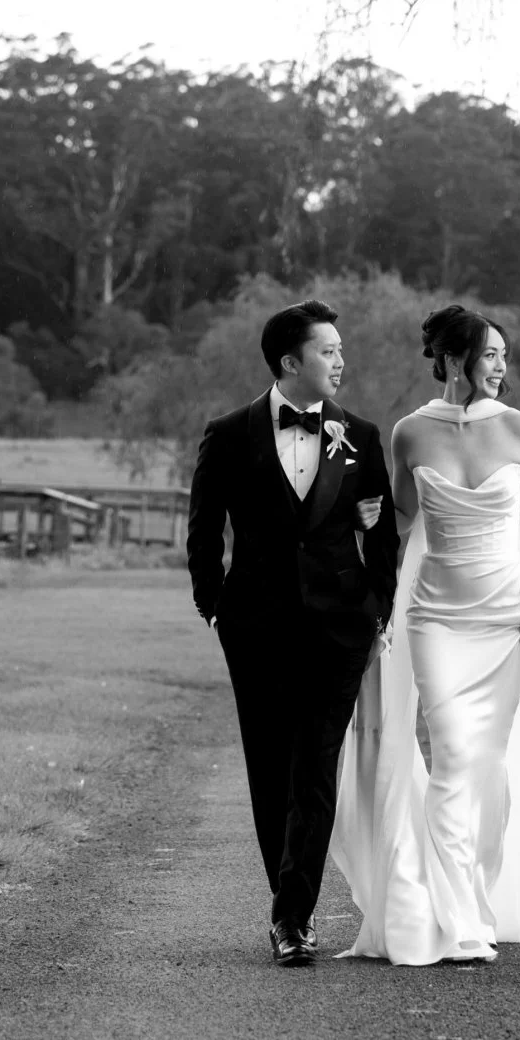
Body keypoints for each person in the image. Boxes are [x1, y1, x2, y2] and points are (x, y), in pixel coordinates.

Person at [330, 303, 520, 965]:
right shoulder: (410, 432)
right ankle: (458, 922)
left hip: (505, 618)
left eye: (505, 357)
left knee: (484, 767)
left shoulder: (519, 429)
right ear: (455, 359)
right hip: (435, 618)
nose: (501, 367)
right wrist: (364, 522)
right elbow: (403, 518)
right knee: (456, 752)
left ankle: (477, 900)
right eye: (490, 354)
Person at [187, 298, 399, 967]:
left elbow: (383, 534)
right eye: (327, 350)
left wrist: (379, 609)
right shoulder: (229, 434)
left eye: (339, 349)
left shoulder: (360, 435)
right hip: (255, 626)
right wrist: (213, 606)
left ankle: (293, 917)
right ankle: (289, 901)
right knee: (270, 767)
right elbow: (203, 528)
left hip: (339, 628)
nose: (340, 360)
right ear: (289, 361)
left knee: (315, 764)